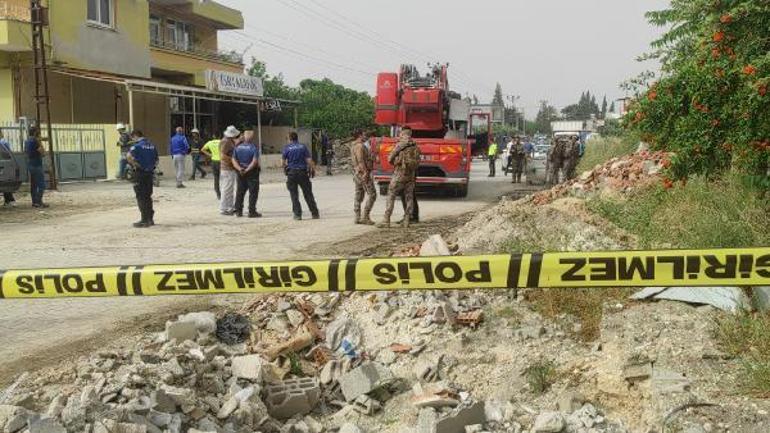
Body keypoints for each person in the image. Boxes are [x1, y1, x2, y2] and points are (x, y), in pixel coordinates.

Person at [380, 127, 420, 228]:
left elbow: (390, 159)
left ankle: (386, 220)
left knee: (391, 195)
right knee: (409, 197)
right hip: (410, 176)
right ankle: (407, 220)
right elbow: (418, 161)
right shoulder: (415, 146)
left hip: (399, 175)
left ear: (402, 134)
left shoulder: (400, 145)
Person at [282, 131, 320, 220]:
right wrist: (313, 169)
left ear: (290, 139)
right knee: (308, 194)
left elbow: (283, 162)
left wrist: (285, 169)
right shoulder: (303, 147)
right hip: (302, 173)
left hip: (292, 174)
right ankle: (314, 213)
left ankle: (297, 214)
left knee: (294, 195)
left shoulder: (287, 148)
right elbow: (309, 160)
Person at [126, 130, 158, 228]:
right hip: (149, 173)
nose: (133, 140)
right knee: (148, 196)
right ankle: (150, 219)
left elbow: (128, 156)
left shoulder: (136, 146)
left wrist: (135, 165)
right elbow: (157, 160)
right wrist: (151, 167)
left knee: (140, 196)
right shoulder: (152, 146)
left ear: (135, 136)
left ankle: (144, 220)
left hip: (139, 173)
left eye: (132, 138)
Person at [232, 130, 261, 218]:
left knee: (240, 192)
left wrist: (240, 169)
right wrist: (247, 169)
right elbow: (255, 161)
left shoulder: (237, 147)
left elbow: (233, 160)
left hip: (240, 172)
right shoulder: (253, 148)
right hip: (252, 173)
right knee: (253, 192)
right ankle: (252, 211)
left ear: (244, 137)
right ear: (252, 138)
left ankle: (238, 211)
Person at [350, 130, 376, 225]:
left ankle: (357, 217)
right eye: (364, 135)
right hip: (363, 173)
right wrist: (365, 172)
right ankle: (365, 216)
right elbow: (360, 160)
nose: (365, 137)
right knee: (372, 194)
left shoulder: (353, 145)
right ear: (360, 135)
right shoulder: (360, 146)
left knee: (358, 194)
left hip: (357, 173)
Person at [219, 126, 240, 216]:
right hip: (227, 168)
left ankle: (230, 207)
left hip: (230, 168)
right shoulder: (225, 141)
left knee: (229, 189)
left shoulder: (229, 141)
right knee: (226, 189)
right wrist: (232, 160)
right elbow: (222, 156)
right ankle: (223, 208)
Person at [25, 126, 48, 208]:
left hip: (30, 164)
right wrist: (41, 144)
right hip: (37, 165)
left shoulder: (27, 141)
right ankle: (39, 201)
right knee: (42, 185)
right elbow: (43, 153)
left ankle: (34, 202)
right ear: (35, 133)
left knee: (33, 185)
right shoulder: (35, 141)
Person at [201, 134, 222, 200]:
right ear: (219, 136)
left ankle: (218, 194)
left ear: (213, 137)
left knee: (216, 178)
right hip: (221, 162)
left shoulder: (210, 142)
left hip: (213, 161)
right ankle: (224, 194)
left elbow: (202, 150)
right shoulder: (222, 142)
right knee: (224, 178)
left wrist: (210, 155)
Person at [0, 130, 16, 207]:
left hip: (5, 163)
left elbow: (7, 152)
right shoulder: (3, 142)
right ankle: (9, 200)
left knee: (6, 182)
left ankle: (9, 200)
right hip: (6, 163)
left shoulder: (2, 142)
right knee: (6, 181)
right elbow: (8, 152)